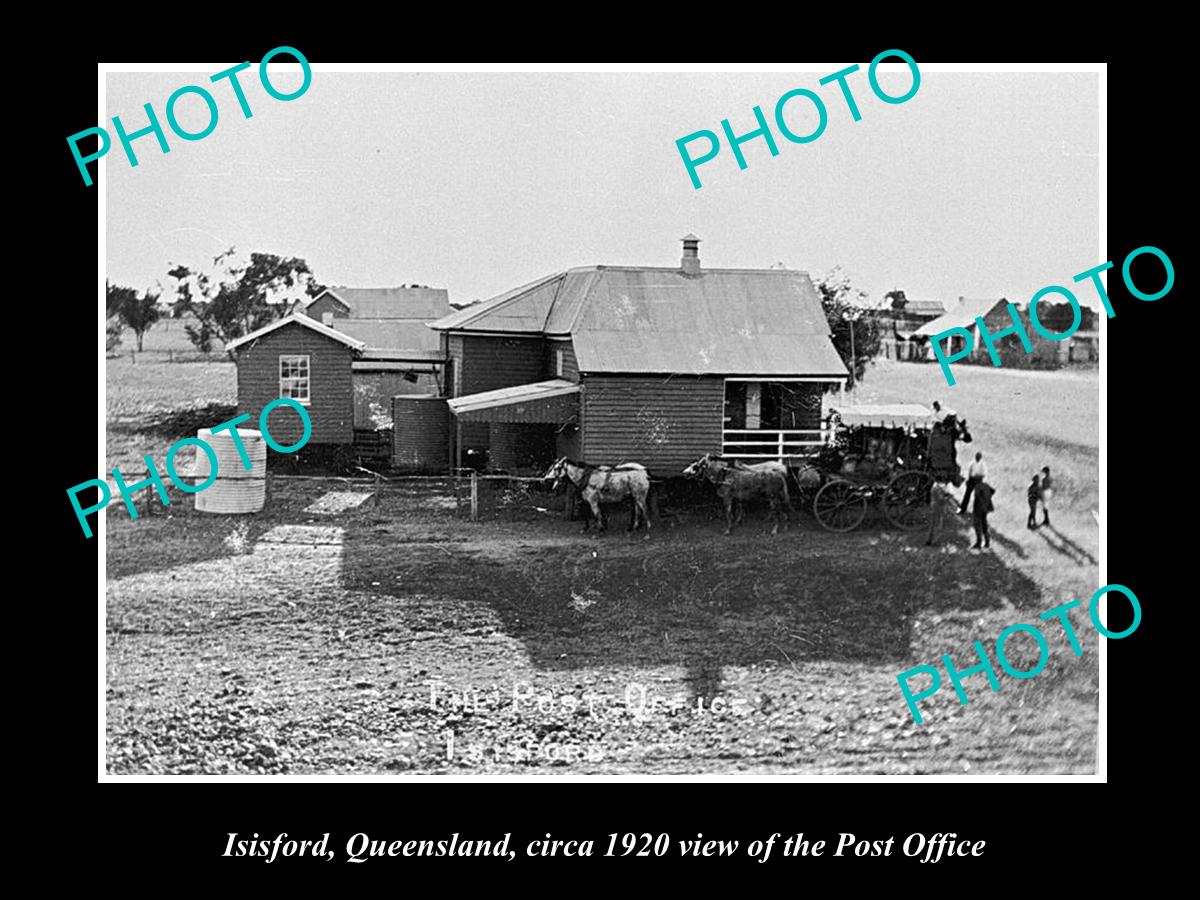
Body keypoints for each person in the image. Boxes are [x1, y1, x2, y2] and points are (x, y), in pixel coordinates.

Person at [972, 480, 995, 549]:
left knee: (977, 525)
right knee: (984, 524)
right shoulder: (985, 485)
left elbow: (977, 495)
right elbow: (993, 491)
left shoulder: (977, 487)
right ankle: (987, 542)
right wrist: (988, 498)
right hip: (985, 508)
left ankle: (979, 542)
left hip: (978, 509)